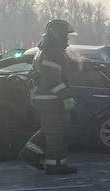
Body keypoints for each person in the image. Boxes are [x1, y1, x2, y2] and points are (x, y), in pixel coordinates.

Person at [19, 20, 78, 175]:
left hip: (46, 98)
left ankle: (30, 154)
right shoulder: (52, 52)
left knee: (52, 130)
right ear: (57, 34)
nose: (67, 39)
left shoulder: (46, 50)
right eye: (65, 35)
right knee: (55, 133)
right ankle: (54, 165)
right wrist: (65, 96)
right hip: (50, 99)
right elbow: (52, 79)